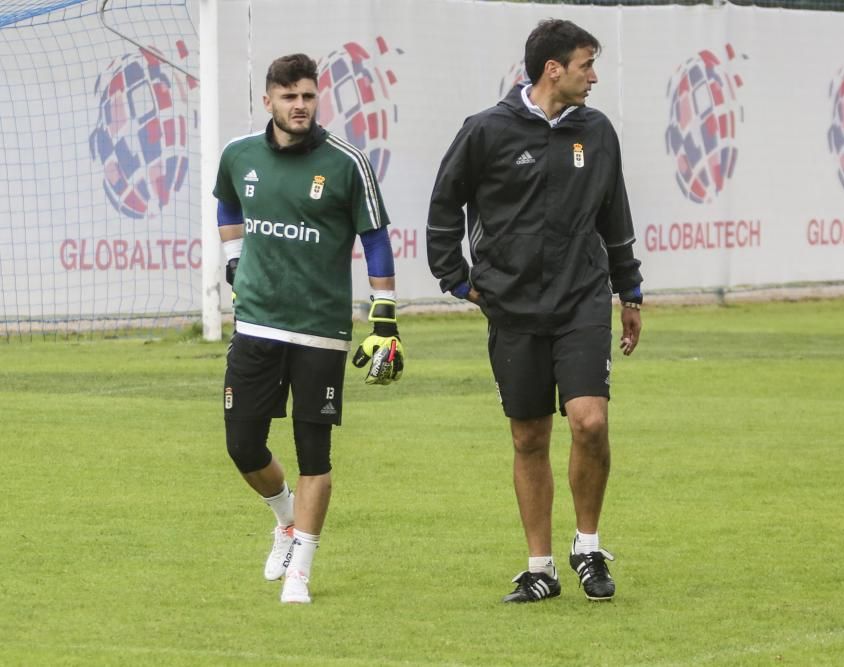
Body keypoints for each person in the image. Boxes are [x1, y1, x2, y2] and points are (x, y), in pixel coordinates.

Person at [426, 19, 643, 603]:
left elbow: (614, 215)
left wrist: (630, 291)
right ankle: (540, 567)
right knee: (528, 437)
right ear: (554, 69)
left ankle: (589, 547)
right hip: (513, 308)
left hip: (582, 301)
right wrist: (455, 278)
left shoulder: (597, 132)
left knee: (589, 422)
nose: (593, 76)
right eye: (585, 64)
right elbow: (444, 201)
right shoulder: (486, 131)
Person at [214, 53, 404, 605]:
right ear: (268, 100)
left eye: (308, 96)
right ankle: (285, 522)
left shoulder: (346, 163)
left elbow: (375, 239)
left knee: (313, 452)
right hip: (256, 325)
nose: (300, 105)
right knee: (243, 444)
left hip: (320, 330)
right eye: (289, 96)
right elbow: (228, 199)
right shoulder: (238, 155)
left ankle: (301, 569)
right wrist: (233, 260)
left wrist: (384, 313)